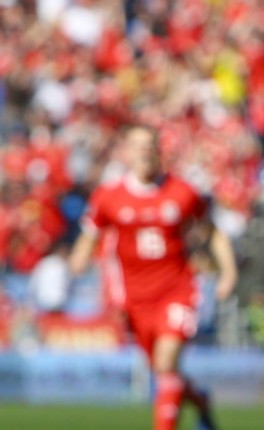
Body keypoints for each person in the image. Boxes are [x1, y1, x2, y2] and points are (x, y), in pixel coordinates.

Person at [68, 124, 238, 430]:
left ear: (159, 151)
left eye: (150, 144)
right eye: (138, 144)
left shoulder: (182, 192)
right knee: (164, 371)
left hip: (177, 289)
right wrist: (78, 260)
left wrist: (228, 272)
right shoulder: (109, 196)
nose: (145, 150)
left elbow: (212, 232)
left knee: (166, 361)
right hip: (134, 299)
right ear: (126, 151)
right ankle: (199, 400)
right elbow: (90, 235)